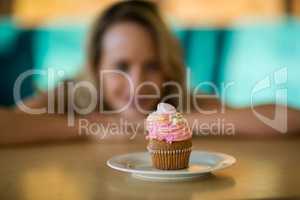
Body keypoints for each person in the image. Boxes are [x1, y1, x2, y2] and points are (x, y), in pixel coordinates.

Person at [1, 0, 299, 144]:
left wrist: (168, 125)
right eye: (121, 67)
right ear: (95, 67)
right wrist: (90, 127)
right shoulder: (71, 94)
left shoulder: (177, 101)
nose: (138, 83)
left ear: (168, 68)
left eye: (152, 65)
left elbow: (288, 119)